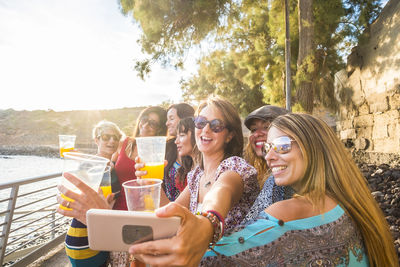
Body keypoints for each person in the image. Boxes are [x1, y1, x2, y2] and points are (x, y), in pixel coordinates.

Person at [128, 113, 398, 267]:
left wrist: (207, 224)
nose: (269, 157)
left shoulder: (286, 207)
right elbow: (168, 212)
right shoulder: (348, 205)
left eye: (282, 145)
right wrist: (148, 186)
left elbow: (221, 194)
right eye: (269, 148)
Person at [135, 96, 260, 234]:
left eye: (216, 125)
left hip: (228, 255)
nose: (206, 129)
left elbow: (221, 191)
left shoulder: (234, 168)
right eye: (200, 122)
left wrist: (207, 223)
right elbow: (171, 214)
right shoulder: (196, 176)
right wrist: (151, 184)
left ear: (229, 135)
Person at [64, 120, 123, 267]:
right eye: (106, 137)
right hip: (84, 238)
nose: (112, 141)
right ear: (96, 140)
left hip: (97, 236)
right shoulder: (90, 165)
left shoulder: (111, 166)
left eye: (115, 137)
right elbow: (72, 198)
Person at [242, 105, 292, 223]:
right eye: (254, 129)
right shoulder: (251, 171)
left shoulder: (280, 178)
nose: (257, 134)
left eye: (267, 127)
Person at [164, 103, 195, 201]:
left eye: (171, 118)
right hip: (168, 207)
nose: (167, 123)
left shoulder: (198, 157)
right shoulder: (168, 147)